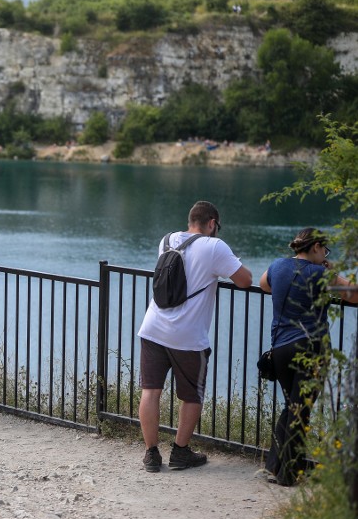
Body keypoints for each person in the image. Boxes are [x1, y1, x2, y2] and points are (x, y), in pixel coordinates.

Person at [138, 201, 252, 472]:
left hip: (153, 327)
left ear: (191, 220)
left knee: (150, 391)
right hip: (187, 336)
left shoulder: (167, 240)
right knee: (191, 396)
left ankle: (151, 454)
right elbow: (245, 280)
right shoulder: (215, 246)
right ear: (212, 223)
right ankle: (180, 452)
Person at [259, 228, 358, 486]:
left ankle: (274, 466)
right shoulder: (320, 274)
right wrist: (332, 269)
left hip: (279, 349)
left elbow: (263, 283)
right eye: (325, 250)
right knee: (301, 410)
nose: (325, 254)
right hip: (310, 349)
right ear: (315, 247)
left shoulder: (278, 265)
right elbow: (354, 294)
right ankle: (289, 474)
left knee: (291, 406)